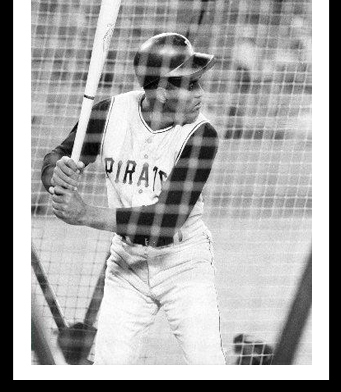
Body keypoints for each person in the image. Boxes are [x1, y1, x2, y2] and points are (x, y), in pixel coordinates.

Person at [41, 32, 226, 365]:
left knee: (208, 363)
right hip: (127, 264)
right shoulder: (110, 112)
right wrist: (58, 175)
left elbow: (165, 222)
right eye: (190, 85)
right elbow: (60, 155)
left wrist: (84, 213)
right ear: (158, 90)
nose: (201, 95)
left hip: (183, 262)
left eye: (199, 84)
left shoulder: (202, 134)